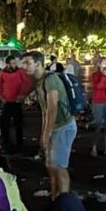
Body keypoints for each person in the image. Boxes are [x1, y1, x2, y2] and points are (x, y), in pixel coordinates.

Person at [23, 51, 76, 197]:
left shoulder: (50, 80)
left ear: (38, 64)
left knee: (60, 168)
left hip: (63, 127)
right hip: (54, 128)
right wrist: (44, 134)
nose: (24, 66)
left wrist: (46, 135)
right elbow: (44, 112)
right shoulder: (40, 81)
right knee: (51, 166)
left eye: (28, 63)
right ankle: (54, 197)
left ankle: (65, 201)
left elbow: (52, 109)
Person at [0, 54, 31, 152]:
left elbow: (26, 83)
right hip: (7, 102)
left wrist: (22, 95)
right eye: (12, 63)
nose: (14, 65)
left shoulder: (20, 72)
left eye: (15, 63)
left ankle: (20, 144)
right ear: (7, 64)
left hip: (17, 102)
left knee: (18, 124)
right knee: (5, 124)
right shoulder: (2, 73)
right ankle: (7, 144)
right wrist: (1, 98)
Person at [89, 58, 106, 157]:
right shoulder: (95, 75)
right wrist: (104, 77)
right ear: (99, 64)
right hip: (98, 102)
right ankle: (94, 147)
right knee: (98, 125)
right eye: (104, 63)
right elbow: (97, 86)